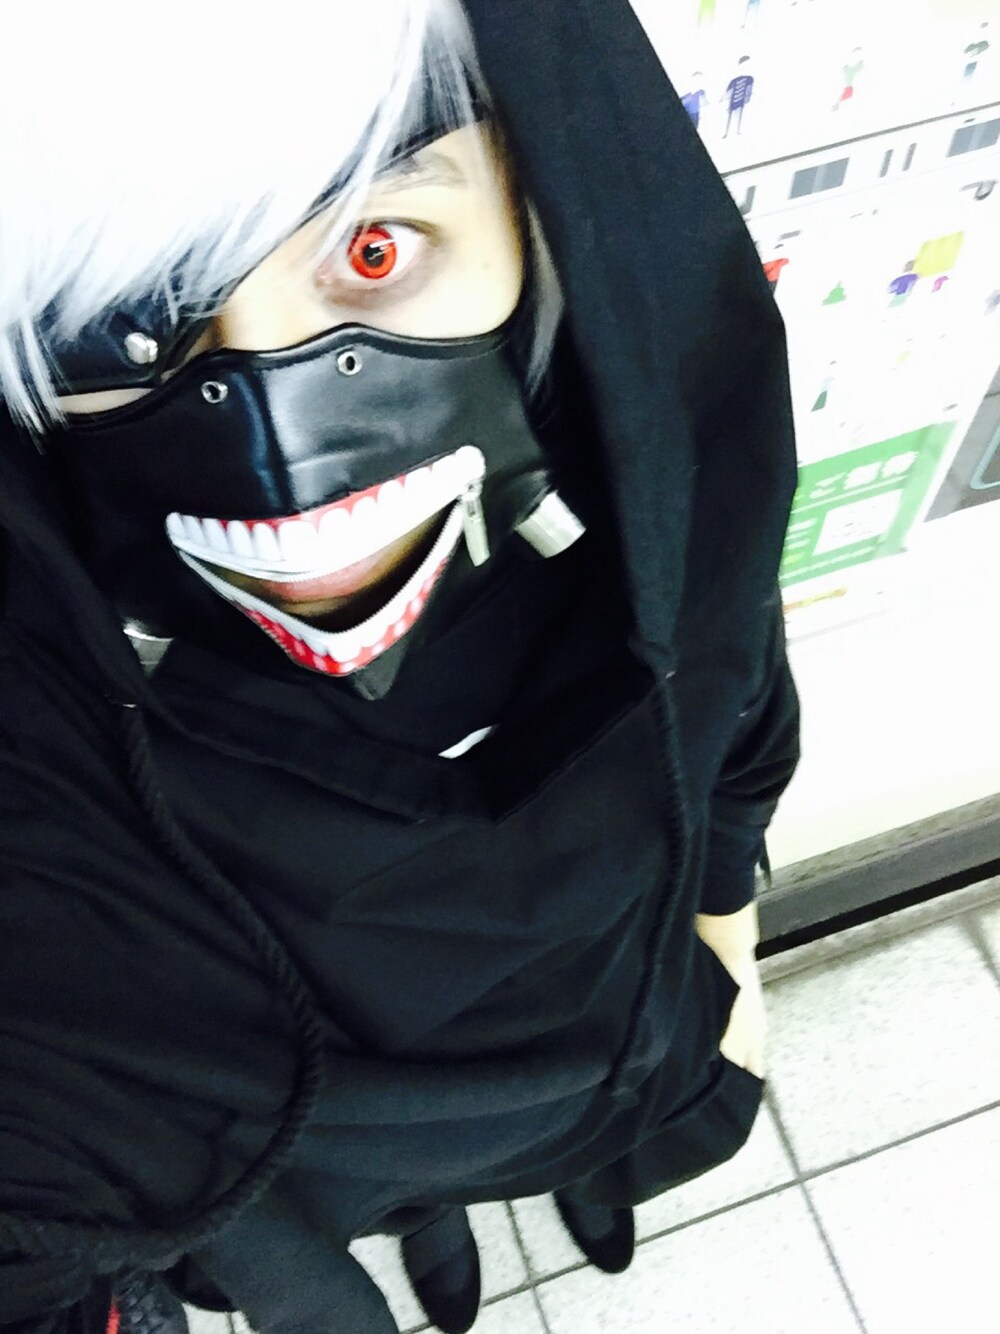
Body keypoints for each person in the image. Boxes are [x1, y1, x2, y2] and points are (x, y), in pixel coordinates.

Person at [0, 3, 801, 1333]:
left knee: (594, 1155)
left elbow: (739, 702)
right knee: (412, 1209)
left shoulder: (648, 522)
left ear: (535, 204)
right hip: (309, 1185)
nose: (285, 447)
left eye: (375, 248)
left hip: (626, 1054)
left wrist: (729, 941)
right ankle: (428, 1221)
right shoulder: (50, 746)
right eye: (117, 318)